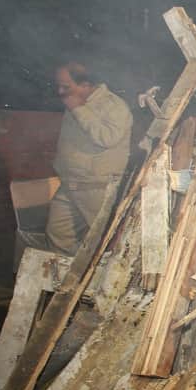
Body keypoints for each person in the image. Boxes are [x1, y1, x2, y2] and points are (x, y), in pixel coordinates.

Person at [46, 61, 133, 256]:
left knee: (107, 244)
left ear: (85, 85)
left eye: (66, 86)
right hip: (70, 184)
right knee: (58, 235)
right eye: (58, 86)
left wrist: (79, 109)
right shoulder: (75, 104)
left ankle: (107, 284)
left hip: (97, 187)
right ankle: (68, 283)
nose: (60, 91)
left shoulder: (113, 106)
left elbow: (107, 137)